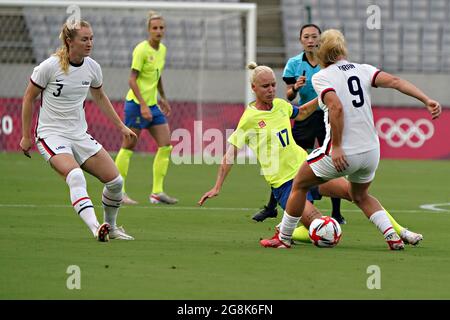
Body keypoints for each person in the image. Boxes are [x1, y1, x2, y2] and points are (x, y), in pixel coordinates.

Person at [199, 62, 422, 247]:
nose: (270, 89)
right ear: (254, 88)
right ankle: (290, 231)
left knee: (357, 194)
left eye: (273, 85)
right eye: (265, 86)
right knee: (320, 227)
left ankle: (400, 232)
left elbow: (303, 111)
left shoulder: (280, 105)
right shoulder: (248, 118)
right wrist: (217, 185)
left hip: (308, 169)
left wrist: (326, 96)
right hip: (285, 184)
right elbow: (231, 153)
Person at [260, 29, 441, 250]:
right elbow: (394, 81)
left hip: (344, 152)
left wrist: (336, 147)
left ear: (322, 53)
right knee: (360, 195)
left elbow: (335, 107)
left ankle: (283, 238)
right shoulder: (363, 69)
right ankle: (393, 237)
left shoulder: (322, 76)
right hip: (371, 152)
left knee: (299, 184)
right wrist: (426, 99)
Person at [20, 20, 137, 242]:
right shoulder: (49, 67)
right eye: (84, 39)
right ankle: (96, 228)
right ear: (69, 41)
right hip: (51, 135)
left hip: (79, 135)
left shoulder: (92, 67)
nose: (90, 43)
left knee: (116, 182)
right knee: (75, 176)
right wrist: (26, 136)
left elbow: (100, 97)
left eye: (91, 38)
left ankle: (110, 228)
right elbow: (28, 97)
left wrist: (121, 126)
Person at [253, 24, 345, 224]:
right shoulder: (294, 63)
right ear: (301, 40)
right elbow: (289, 95)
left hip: (328, 115)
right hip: (305, 115)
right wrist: (295, 87)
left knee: (331, 160)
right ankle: (271, 207)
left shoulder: (327, 62)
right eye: (306, 37)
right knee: (288, 158)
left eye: (314, 36)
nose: (311, 40)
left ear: (320, 40)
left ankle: (337, 212)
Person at [114, 11, 177, 205]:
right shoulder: (141, 50)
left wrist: (163, 98)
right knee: (128, 147)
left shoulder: (163, 50)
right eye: (155, 28)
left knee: (166, 145)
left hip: (152, 106)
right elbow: (132, 80)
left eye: (161, 28)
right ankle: (118, 192)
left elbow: (156, 76)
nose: (158, 31)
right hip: (136, 105)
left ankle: (157, 192)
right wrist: (142, 105)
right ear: (149, 30)